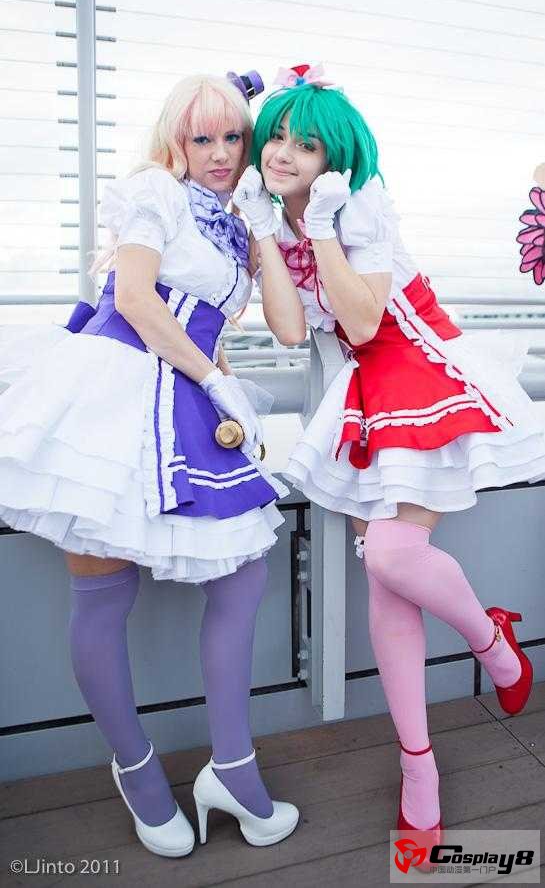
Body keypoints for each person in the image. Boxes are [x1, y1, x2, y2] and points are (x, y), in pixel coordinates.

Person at [233, 62, 542, 867]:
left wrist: (320, 229)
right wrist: (265, 234)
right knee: (387, 578)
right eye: (277, 137)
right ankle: (418, 765)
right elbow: (291, 331)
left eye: (305, 144)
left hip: (417, 360)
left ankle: (492, 644)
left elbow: (367, 319)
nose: (283, 152)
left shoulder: (357, 202)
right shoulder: (272, 209)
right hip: (362, 383)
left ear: (333, 157)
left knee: (392, 556)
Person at [0, 71, 299, 857]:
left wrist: (263, 230)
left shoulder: (233, 222)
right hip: (111, 393)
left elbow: (285, 328)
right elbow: (134, 298)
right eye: (203, 138)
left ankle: (230, 767)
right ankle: (134, 769)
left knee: (242, 578)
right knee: (104, 594)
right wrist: (216, 384)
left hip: (185, 395)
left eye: (233, 137)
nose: (219, 153)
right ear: (175, 140)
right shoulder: (152, 192)